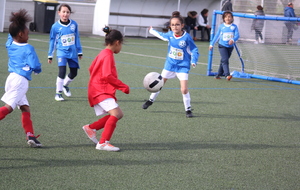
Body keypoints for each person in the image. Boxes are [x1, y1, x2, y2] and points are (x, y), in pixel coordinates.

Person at [142, 13, 199, 118]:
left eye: (177, 24)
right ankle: (150, 101)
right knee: (159, 84)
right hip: (170, 65)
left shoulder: (186, 37)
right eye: (172, 25)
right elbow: (162, 36)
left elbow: (194, 49)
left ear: (182, 25)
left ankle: (188, 110)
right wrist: (151, 30)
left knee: (184, 89)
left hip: (183, 66)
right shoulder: (170, 35)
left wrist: (193, 60)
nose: (174, 27)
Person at [82, 26, 130, 152]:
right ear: (117, 42)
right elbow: (107, 75)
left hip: (96, 89)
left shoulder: (102, 53)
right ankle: (103, 143)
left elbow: (91, 68)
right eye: (121, 45)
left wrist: (95, 82)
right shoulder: (108, 55)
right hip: (101, 90)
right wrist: (122, 86)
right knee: (115, 114)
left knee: (119, 114)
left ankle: (91, 128)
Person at [0, 9, 42, 147]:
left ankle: (30, 136)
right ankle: (30, 136)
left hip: (11, 79)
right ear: (20, 34)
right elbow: (35, 64)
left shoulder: (10, 44)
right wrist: (37, 69)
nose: (28, 36)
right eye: (27, 33)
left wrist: (16, 22)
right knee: (9, 107)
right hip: (20, 81)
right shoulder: (28, 48)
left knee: (25, 108)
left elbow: (9, 37)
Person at [48, 3, 83, 101]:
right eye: (63, 12)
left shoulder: (74, 24)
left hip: (72, 53)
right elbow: (52, 41)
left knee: (74, 73)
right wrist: (50, 55)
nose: (65, 14)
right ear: (59, 13)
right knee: (62, 72)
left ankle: (65, 85)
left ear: (70, 13)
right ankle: (58, 94)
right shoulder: (55, 26)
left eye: (67, 12)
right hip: (61, 52)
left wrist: (79, 51)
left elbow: (77, 38)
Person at [209, 11, 239, 81]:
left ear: (232, 18)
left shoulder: (234, 27)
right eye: (226, 17)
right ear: (223, 18)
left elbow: (237, 35)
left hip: (230, 47)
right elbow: (217, 36)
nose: (228, 18)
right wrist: (211, 44)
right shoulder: (221, 27)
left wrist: (233, 39)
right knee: (225, 60)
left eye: (229, 17)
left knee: (224, 60)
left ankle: (218, 74)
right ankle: (227, 75)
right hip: (222, 46)